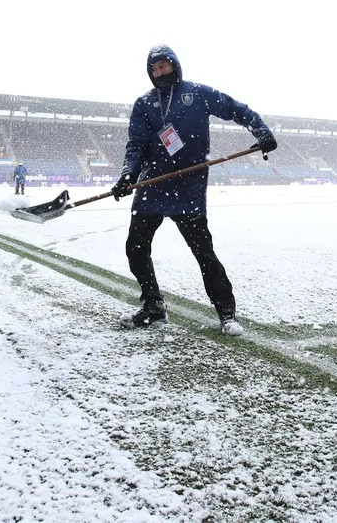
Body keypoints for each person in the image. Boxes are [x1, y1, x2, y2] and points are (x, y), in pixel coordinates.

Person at [111, 44, 277, 335]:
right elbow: (136, 145)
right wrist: (128, 175)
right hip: (153, 185)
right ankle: (153, 306)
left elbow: (234, 108)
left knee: (203, 252)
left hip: (188, 186)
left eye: (164, 65)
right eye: (154, 68)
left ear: (175, 65)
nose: (160, 71)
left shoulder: (197, 93)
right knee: (135, 249)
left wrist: (260, 130)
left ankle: (226, 312)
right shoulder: (144, 104)